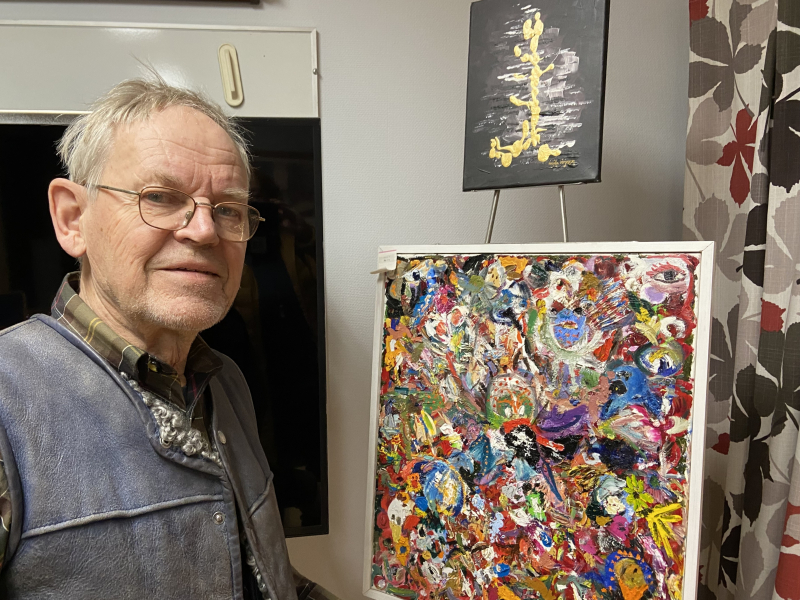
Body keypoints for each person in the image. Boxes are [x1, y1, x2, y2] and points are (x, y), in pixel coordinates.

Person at [0, 76, 336, 599]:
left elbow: (259, 574)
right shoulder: (6, 400)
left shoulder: (225, 383)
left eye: (227, 209)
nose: (204, 230)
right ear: (72, 219)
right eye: (159, 197)